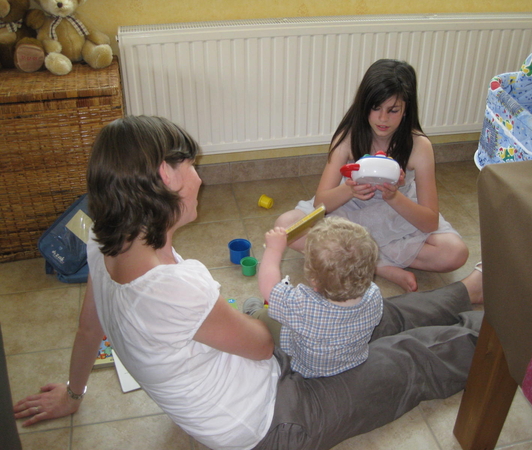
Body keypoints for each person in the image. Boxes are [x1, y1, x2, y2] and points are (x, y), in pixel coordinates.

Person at [13, 115, 483, 450]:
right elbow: (261, 344)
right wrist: (277, 308)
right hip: (273, 421)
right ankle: (503, 338)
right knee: (407, 360)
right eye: (191, 165)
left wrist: (75, 394)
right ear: (165, 176)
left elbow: (88, 328)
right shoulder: (175, 286)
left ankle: (470, 291)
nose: (199, 176)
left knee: (366, 314)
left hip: (259, 376)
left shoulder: (102, 241)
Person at [275, 59, 468, 292]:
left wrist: (394, 197)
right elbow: (320, 203)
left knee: (454, 253)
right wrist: (349, 189)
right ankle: (379, 266)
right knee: (286, 227)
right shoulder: (347, 137)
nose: (382, 119)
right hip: (351, 211)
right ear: (363, 105)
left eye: (393, 110)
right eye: (375, 108)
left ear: (407, 109)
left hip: (396, 215)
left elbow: (429, 221)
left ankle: (363, 259)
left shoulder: (419, 146)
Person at [246, 216, 383, 378]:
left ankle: (253, 313)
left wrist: (273, 250)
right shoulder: (374, 294)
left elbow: (269, 287)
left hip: (306, 366)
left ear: (314, 282)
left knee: (265, 317)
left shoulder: (303, 304)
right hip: (352, 360)